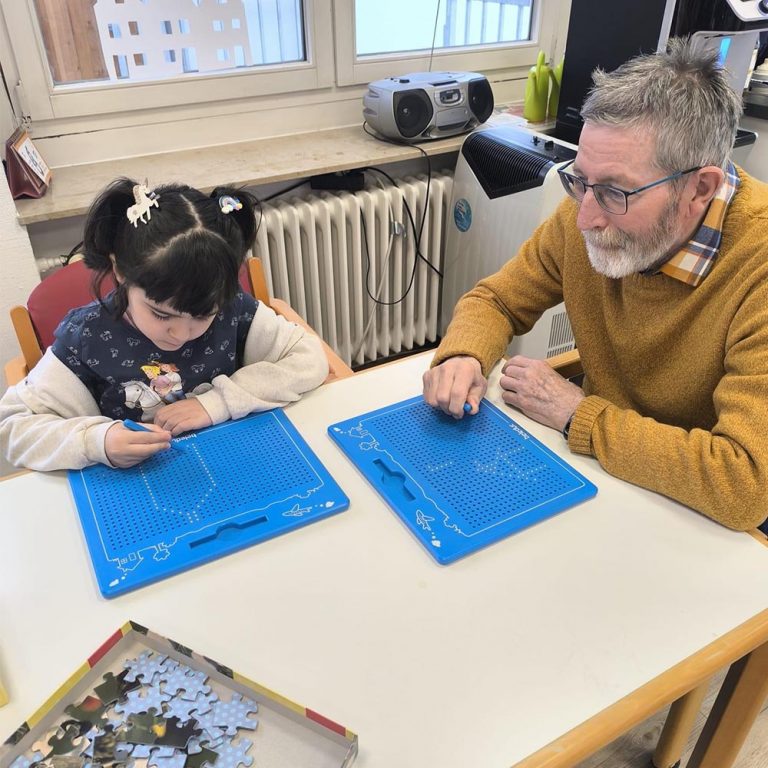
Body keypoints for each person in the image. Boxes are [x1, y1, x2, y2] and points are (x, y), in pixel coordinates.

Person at [423, 38, 768, 532]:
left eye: (614, 192)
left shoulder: (758, 264)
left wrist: (579, 416)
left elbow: (745, 484)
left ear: (700, 188)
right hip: (605, 475)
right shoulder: (586, 207)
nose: (585, 217)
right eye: (580, 179)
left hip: (698, 519)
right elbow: (496, 299)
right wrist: (464, 356)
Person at [0, 178, 329, 471]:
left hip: (233, 461)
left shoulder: (231, 307)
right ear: (120, 272)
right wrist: (97, 441)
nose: (181, 334)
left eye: (203, 315)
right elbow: (13, 427)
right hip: (135, 486)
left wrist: (216, 402)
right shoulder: (86, 337)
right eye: (161, 314)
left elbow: (309, 359)